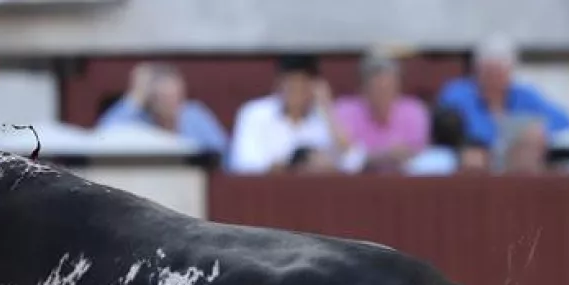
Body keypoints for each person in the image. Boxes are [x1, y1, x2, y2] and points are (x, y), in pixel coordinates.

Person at [226, 53, 361, 174]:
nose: (296, 91)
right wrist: (291, 167)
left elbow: (354, 163)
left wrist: (328, 110)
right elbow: (243, 165)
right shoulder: (255, 114)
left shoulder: (324, 117)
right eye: (291, 83)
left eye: (303, 83)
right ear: (279, 83)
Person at [435, 35, 569, 150]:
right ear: (477, 70)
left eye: (500, 71)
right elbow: (454, 131)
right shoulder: (457, 94)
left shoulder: (524, 95)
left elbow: (564, 121)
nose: (494, 78)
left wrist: (530, 131)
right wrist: (506, 133)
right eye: (489, 71)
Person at [96, 62, 227, 156]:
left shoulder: (194, 114)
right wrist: (135, 97)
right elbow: (103, 137)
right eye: (164, 97)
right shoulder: (138, 118)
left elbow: (222, 155)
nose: (172, 104)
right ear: (151, 99)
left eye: (177, 96)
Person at [332, 51, 429, 173]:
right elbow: (346, 156)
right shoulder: (344, 110)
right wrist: (383, 157)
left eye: (389, 87)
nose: (384, 94)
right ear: (364, 88)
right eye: (377, 88)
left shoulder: (414, 110)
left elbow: (417, 154)